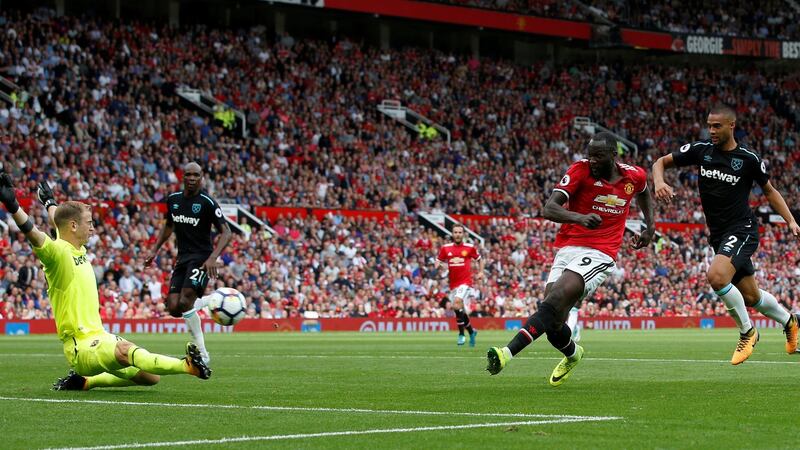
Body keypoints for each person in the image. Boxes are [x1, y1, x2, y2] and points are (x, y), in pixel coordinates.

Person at [0, 173, 210, 391]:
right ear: (74, 226)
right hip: (82, 346)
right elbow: (32, 233)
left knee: (150, 377)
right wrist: (13, 205)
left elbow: (60, 221)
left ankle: (86, 382)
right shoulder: (57, 253)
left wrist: (49, 203)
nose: (92, 228)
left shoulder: (75, 247)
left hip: (100, 336)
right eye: (89, 223)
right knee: (124, 350)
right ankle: (187, 366)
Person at [486, 132, 655, 386]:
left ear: (613, 155)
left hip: (601, 251)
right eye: (590, 155)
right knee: (553, 322)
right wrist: (579, 217)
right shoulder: (579, 170)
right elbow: (549, 208)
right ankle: (574, 354)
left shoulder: (634, 176)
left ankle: (506, 353)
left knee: (554, 299)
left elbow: (644, 193)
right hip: (568, 248)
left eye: (598, 156)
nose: (592, 160)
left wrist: (649, 228)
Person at [653, 104, 799, 365]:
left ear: (732, 126)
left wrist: (790, 221)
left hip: (742, 230)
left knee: (717, 277)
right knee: (752, 297)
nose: (711, 131)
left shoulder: (748, 159)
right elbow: (660, 162)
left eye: (717, 126)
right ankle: (790, 321)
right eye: (709, 125)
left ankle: (747, 332)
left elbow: (770, 191)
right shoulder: (701, 151)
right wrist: (660, 181)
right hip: (718, 235)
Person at [144, 162, 232, 365]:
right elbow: (168, 225)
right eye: (189, 175)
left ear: (202, 178)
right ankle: (210, 300)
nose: (192, 178)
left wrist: (213, 258)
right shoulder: (173, 200)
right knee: (174, 308)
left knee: (185, 302)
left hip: (202, 257)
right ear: (183, 177)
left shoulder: (207, 202)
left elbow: (226, 232)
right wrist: (155, 250)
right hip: (182, 257)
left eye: (196, 175)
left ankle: (202, 353)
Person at [436, 224, 484, 347]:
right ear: (452, 234)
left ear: (463, 234)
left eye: (460, 232)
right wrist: (441, 266)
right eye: (455, 232)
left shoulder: (469, 248)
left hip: (465, 283)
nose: (457, 234)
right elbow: (438, 261)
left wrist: (481, 272)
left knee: (456, 303)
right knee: (459, 310)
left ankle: (461, 334)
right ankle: (472, 332)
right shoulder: (446, 248)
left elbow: (479, 259)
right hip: (453, 285)